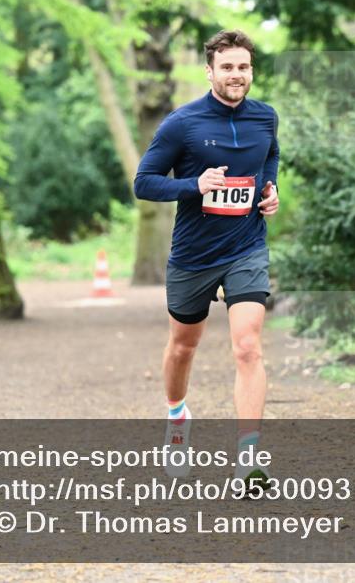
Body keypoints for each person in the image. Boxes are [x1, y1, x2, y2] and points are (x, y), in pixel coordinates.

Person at [133, 29, 279, 488]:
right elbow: (144, 182)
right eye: (228, 67)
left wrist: (270, 190)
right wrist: (193, 186)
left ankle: (249, 460)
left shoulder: (266, 118)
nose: (237, 75)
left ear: (251, 70)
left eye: (244, 67)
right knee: (183, 347)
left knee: (248, 346)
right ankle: (177, 418)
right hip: (194, 254)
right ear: (210, 71)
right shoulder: (183, 123)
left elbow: (269, 157)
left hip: (246, 246)